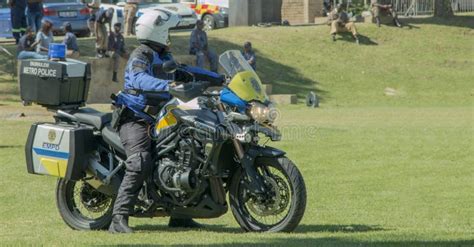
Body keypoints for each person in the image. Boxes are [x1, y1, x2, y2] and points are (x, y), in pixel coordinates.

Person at [110, 10, 224, 234]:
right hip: (135, 118)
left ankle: (182, 215)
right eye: (168, 31)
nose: (170, 36)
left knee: (191, 152)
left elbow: (185, 71)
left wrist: (217, 78)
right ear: (158, 31)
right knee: (140, 161)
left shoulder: (164, 57)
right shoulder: (141, 54)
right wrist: (168, 87)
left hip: (161, 117)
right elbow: (138, 78)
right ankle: (118, 218)